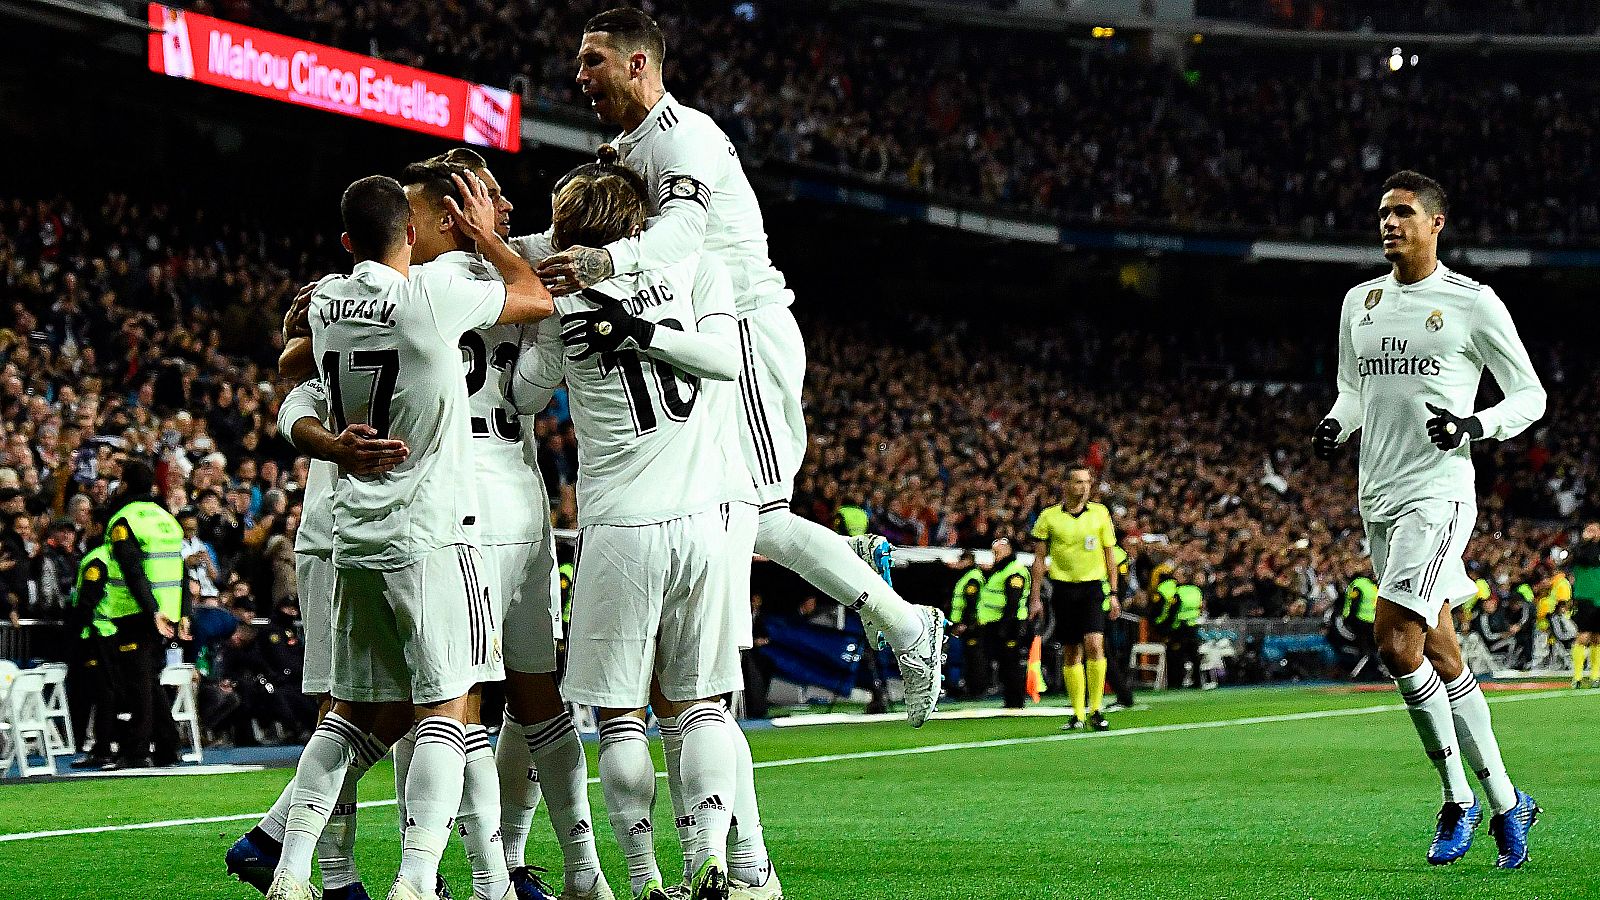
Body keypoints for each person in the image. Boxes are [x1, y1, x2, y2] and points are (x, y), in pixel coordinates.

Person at [537, 7, 944, 729]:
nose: (579, 75)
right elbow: (575, 236)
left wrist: (607, 261)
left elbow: (683, 231)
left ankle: (909, 626)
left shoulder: (681, 136)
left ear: (639, 62)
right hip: (705, 326)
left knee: (755, 518)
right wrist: (476, 249)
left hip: (744, 328)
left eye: (593, 59)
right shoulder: (627, 148)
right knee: (744, 518)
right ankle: (851, 563)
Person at [263, 171, 554, 900]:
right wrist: (490, 238)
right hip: (430, 533)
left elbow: (290, 368)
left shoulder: (328, 300)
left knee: (348, 716)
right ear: (413, 236)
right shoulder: (432, 296)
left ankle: (293, 872)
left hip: (351, 535)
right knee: (448, 710)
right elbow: (536, 299)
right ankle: (417, 880)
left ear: (344, 241)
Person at [512, 153, 756, 900]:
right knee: (701, 703)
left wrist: (545, 336)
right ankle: (707, 857)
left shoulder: (565, 301)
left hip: (620, 528)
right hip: (702, 524)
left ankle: (648, 878)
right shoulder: (697, 270)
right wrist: (646, 331)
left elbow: (524, 396)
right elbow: (724, 360)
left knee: (621, 713)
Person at [1312, 170, 1545, 868]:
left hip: (1438, 494)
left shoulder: (1472, 304)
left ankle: (1457, 799)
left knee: (1393, 642)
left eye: (1403, 213)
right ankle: (1509, 800)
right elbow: (1352, 389)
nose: (1389, 223)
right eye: (1384, 213)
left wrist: (1476, 422)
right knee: (1442, 654)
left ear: (1435, 223)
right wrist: (1335, 423)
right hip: (1376, 494)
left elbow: (1528, 395)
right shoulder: (1362, 301)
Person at [408, 150, 611, 900]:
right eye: (491, 194)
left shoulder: (410, 279)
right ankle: (546, 872)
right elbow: (541, 303)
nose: (508, 207)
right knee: (507, 695)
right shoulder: (497, 269)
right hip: (487, 502)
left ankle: (492, 874)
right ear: (458, 209)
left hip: (478, 505)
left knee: (471, 698)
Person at [227, 372, 409, 898]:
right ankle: (335, 878)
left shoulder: (355, 328)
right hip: (349, 537)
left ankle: (274, 840)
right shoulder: (398, 318)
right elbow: (292, 379)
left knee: (402, 708)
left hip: (369, 534)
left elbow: (292, 372)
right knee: (365, 709)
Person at [101, 458, 187, 769]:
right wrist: (183, 612)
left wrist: (150, 611)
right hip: (167, 610)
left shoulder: (125, 520)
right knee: (149, 680)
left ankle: (137, 750)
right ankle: (168, 745)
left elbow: (133, 570)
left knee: (138, 684)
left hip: (137, 611)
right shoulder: (164, 518)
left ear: (124, 485)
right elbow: (180, 567)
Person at [1028, 464, 1117, 731]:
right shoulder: (1049, 517)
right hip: (1064, 588)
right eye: (1078, 482)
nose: (1084, 487)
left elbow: (1110, 555)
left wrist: (1113, 592)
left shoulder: (1100, 514)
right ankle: (1077, 713)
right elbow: (1039, 560)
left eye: (1087, 482)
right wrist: (1035, 597)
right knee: (1071, 650)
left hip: (1092, 587)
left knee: (1094, 643)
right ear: (1065, 485)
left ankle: (1097, 709)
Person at [66, 541, 119, 769]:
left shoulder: (97, 560)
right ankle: (107, 744)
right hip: (113, 631)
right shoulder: (117, 557)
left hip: (97, 633)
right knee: (108, 693)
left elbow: (87, 601)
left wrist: (76, 629)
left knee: (100, 694)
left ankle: (102, 747)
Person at [979, 538, 1031, 709]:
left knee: (1012, 664)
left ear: (1008, 551)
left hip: (1010, 625)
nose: (994, 555)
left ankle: (1016, 701)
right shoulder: (1001, 570)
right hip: (998, 623)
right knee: (1004, 664)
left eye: (997, 552)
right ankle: (1010, 700)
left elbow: (1013, 602)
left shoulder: (1014, 571)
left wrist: (1005, 627)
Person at [1565, 521, 1600, 687]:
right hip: (1585, 597)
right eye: (1589, 529)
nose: (1592, 532)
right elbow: (1583, 557)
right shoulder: (1580, 549)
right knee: (1583, 636)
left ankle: (1595, 676)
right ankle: (1577, 677)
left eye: (1596, 529)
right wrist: (1585, 540)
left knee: (1598, 638)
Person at [948, 550, 986, 697]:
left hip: (971, 625)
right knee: (969, 658)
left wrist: (965, 623)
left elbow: (971, 603)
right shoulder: (968, 577)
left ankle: (975, 690)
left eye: (962, 561)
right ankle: (972, 688)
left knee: (974, 658)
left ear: (968, 561)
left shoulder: (972, 579)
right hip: (968, 624)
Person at [1342, 562, 1379, 679]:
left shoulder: (1372, 585)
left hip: (1371, 622)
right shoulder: (1359, 584)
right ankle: (1356, 674)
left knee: (1372, 649)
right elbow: (1354, 604)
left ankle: (1371, 672)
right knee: (1367, 650)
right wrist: (1351, 622)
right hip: (1361, 622)